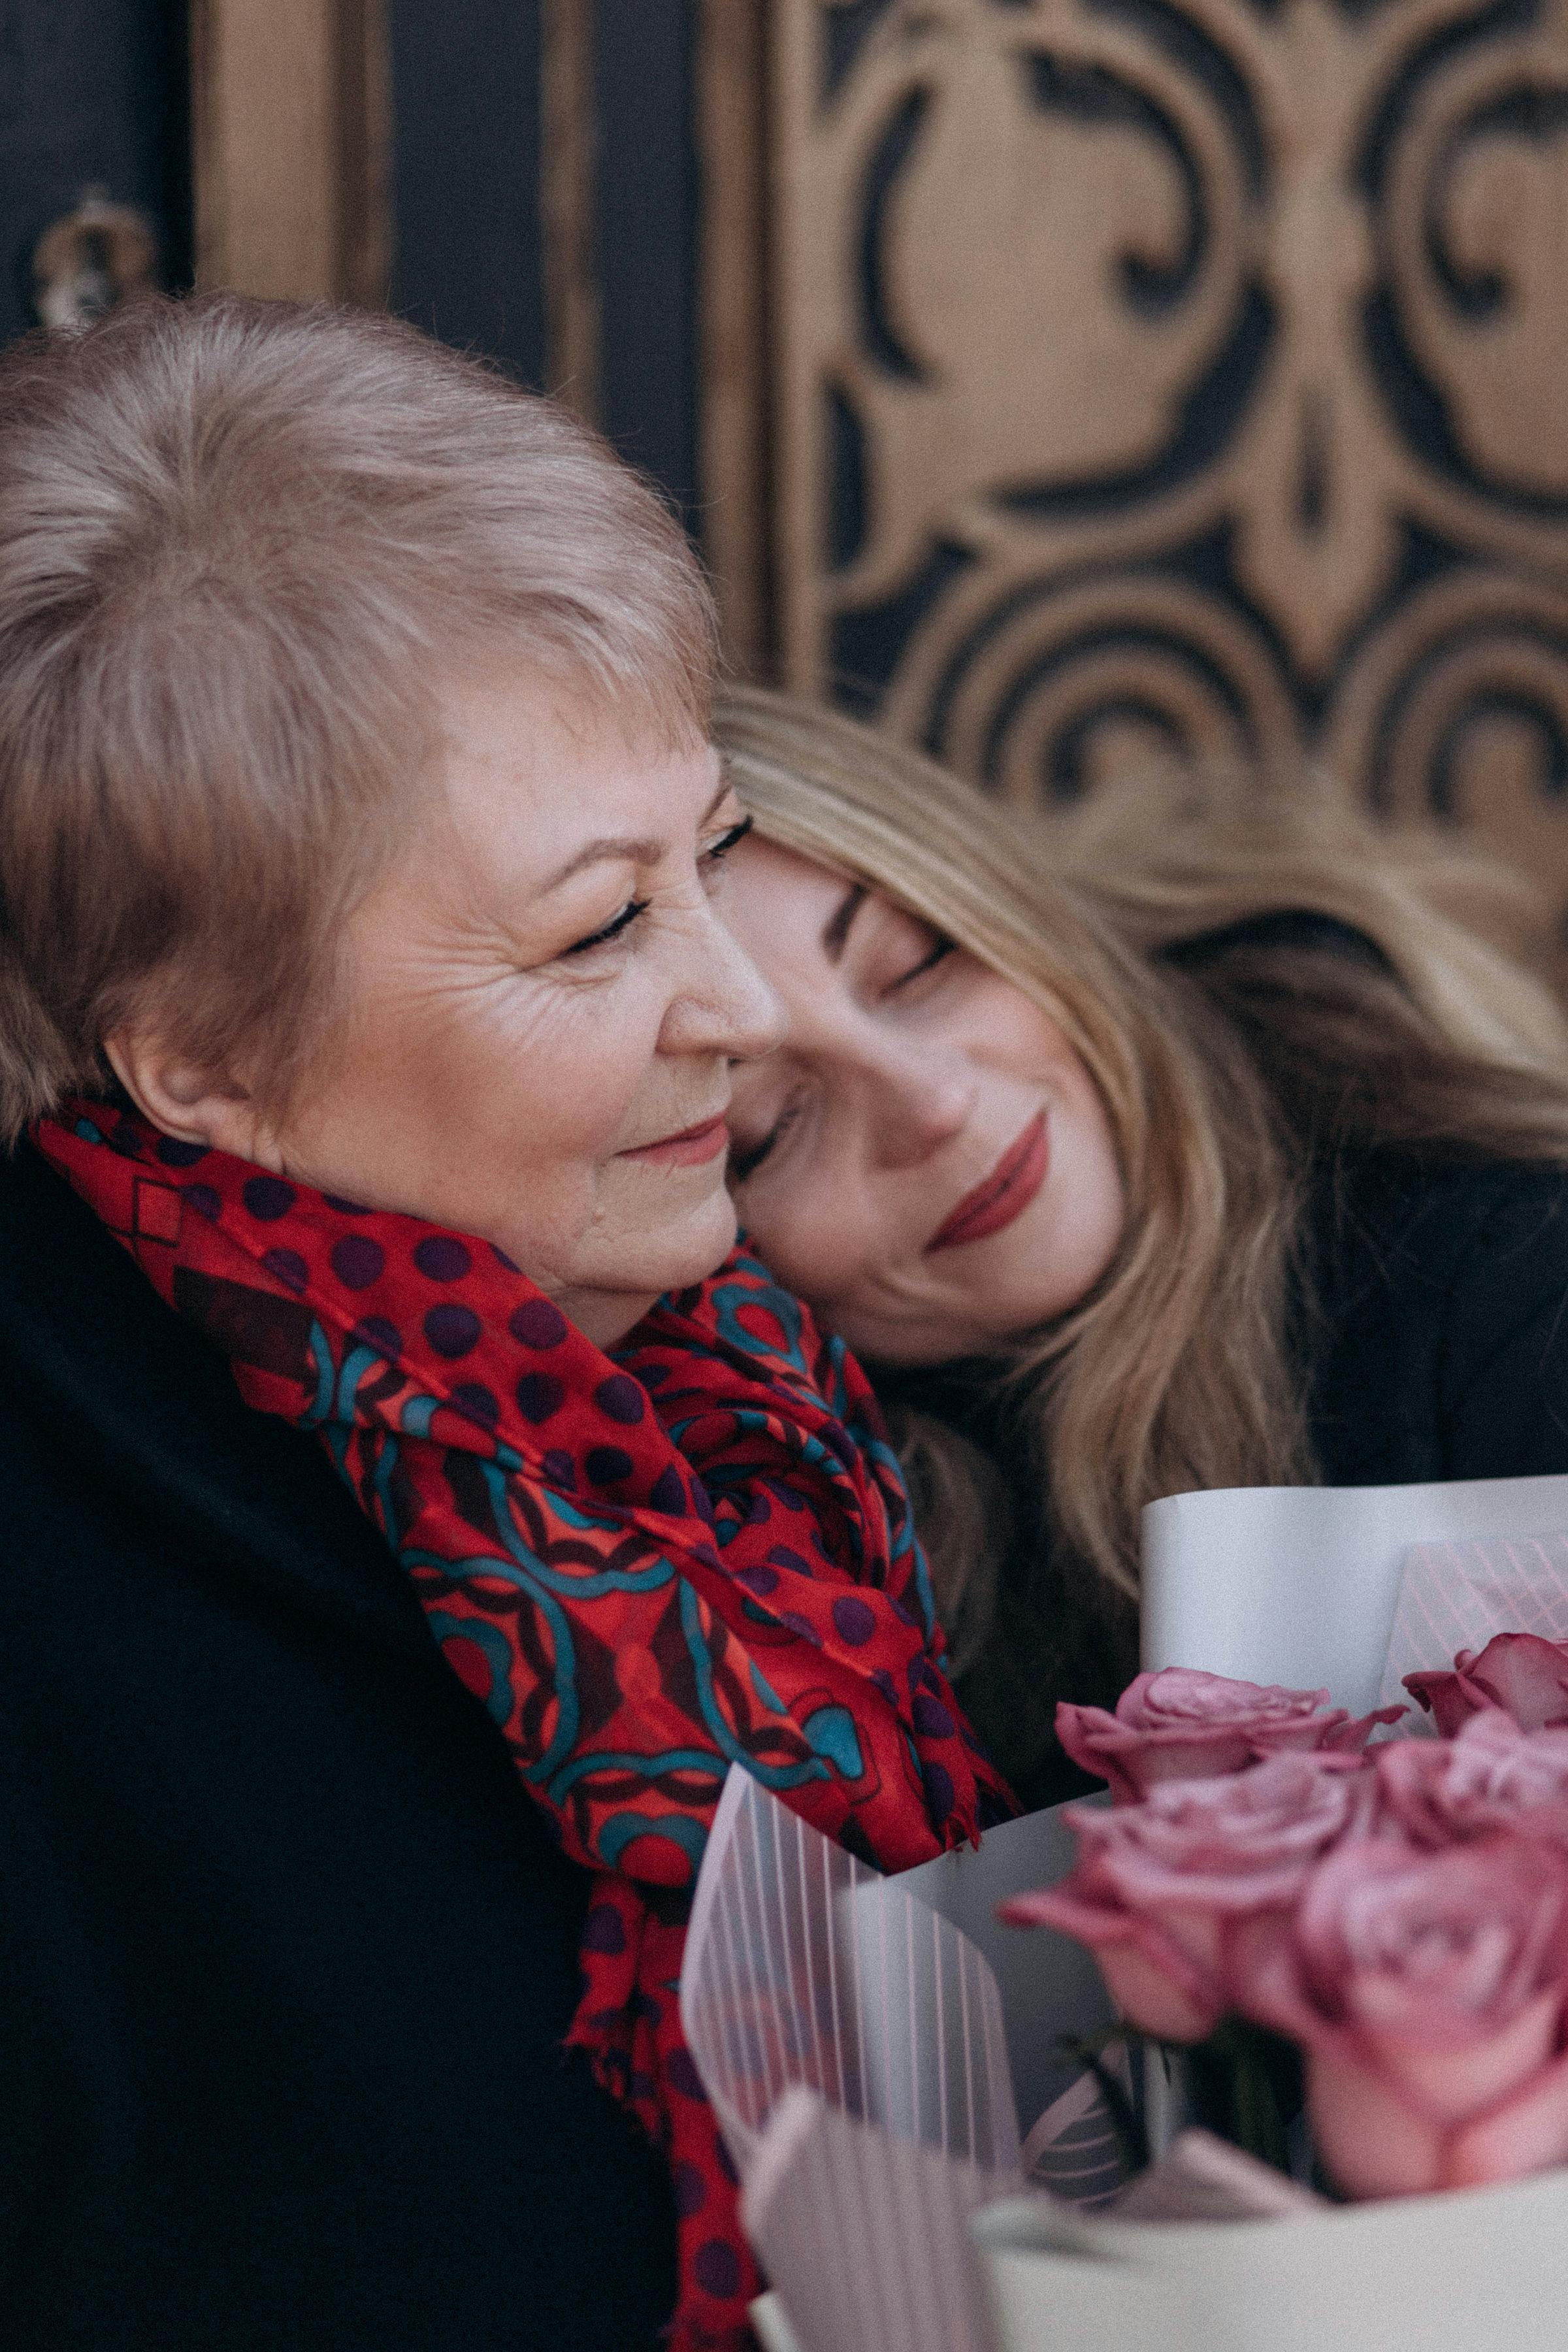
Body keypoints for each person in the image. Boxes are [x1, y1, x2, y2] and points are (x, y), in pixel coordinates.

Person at [0, 298, 1009, 2352]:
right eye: (599, 925)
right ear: (200, 1059)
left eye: (706, 848)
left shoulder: (748, 1382)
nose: (735, 1002)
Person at [714, 687, 1568, 1809]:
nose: (931, 1100)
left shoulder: (1481, 1278)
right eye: (771, 1131)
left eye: (921, 961)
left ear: (1014, 912)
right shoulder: (766, 1538)